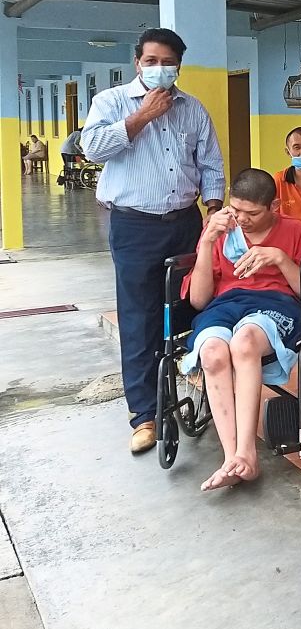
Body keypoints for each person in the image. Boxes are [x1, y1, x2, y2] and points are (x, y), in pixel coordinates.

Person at [82, 28, 225, 455]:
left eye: (168, 62)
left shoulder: (193, 109)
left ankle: (195, 387)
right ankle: (144, 415)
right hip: (134, 227)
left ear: (179, 64)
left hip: (185, 224)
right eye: (151, 61)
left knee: (193, 305)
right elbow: (91, 148)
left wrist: (214, 208)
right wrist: (141, 116)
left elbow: (211, 163)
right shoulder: (110, 103)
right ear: (137, 62)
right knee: (140, 318)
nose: (160, 69)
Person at [185, 169, 301, 491]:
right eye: (235, 210)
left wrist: (279, 259)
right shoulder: (220, 230)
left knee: (245, 342)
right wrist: (207, 242)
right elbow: (198, 299)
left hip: (277, 303)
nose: (242, 220)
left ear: (274, 206)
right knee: (212, 353)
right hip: (225, 304)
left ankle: (247, 454)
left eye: (252, 213)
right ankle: (231, 458)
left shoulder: (294, 231)